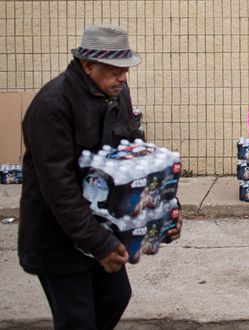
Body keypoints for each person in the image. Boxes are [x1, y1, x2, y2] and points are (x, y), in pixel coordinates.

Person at [18, 24, 182, 330]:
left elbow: (137, 157)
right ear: (88, 65)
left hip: (102, 224)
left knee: (115, 297)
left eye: (126, 69)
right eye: (115, 69)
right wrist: (99, 244)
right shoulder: (52, 105)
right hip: (59, 235)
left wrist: (166, 212)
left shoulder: (117, 94)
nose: (123, 77)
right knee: (77, 319)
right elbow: (58, 189)